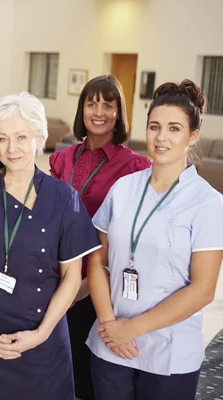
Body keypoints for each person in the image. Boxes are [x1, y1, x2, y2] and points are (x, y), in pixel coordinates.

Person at [0, 92, 101, 399]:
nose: (12, 148)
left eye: (22, 137)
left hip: (43, 347)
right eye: (2, 139)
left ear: (39, 138)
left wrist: (40, 333)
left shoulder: (63, 199)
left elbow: (71, 277)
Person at [87, 80, 223, 400]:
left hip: (170, 353)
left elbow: (202, 290)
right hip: (110, 345)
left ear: (192, 136)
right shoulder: (123, 188)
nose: (162, 137)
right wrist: (110, 325)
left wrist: (131, 329)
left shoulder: (208, 203)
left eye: (174, 128)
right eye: (154, 127)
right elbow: (97, 260)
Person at [49, 75, 150, 399]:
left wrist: (84, 285)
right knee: (53, 371)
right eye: (92, 103)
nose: (99, 111)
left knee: (88, 376)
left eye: (108, 104)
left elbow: (131, 232)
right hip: (56, 278)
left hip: (99, 285)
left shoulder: (133, 166)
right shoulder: (62, 159)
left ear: (119, 112)